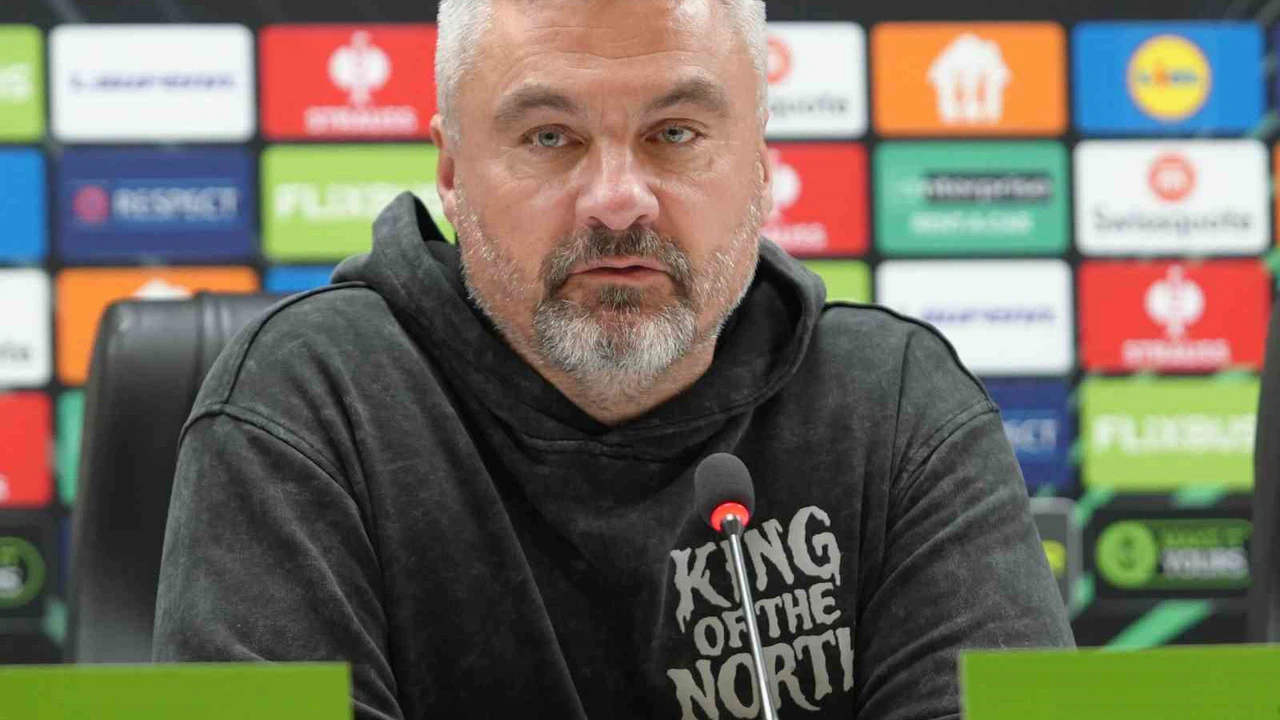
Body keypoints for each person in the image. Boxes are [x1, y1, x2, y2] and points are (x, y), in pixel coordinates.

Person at [152, 0, 1074, 717]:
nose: (618, 199)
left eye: (674, 134)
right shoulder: (309, 406)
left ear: (760, 168)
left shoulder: (900, 409)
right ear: (451, 171)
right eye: (550, 138)